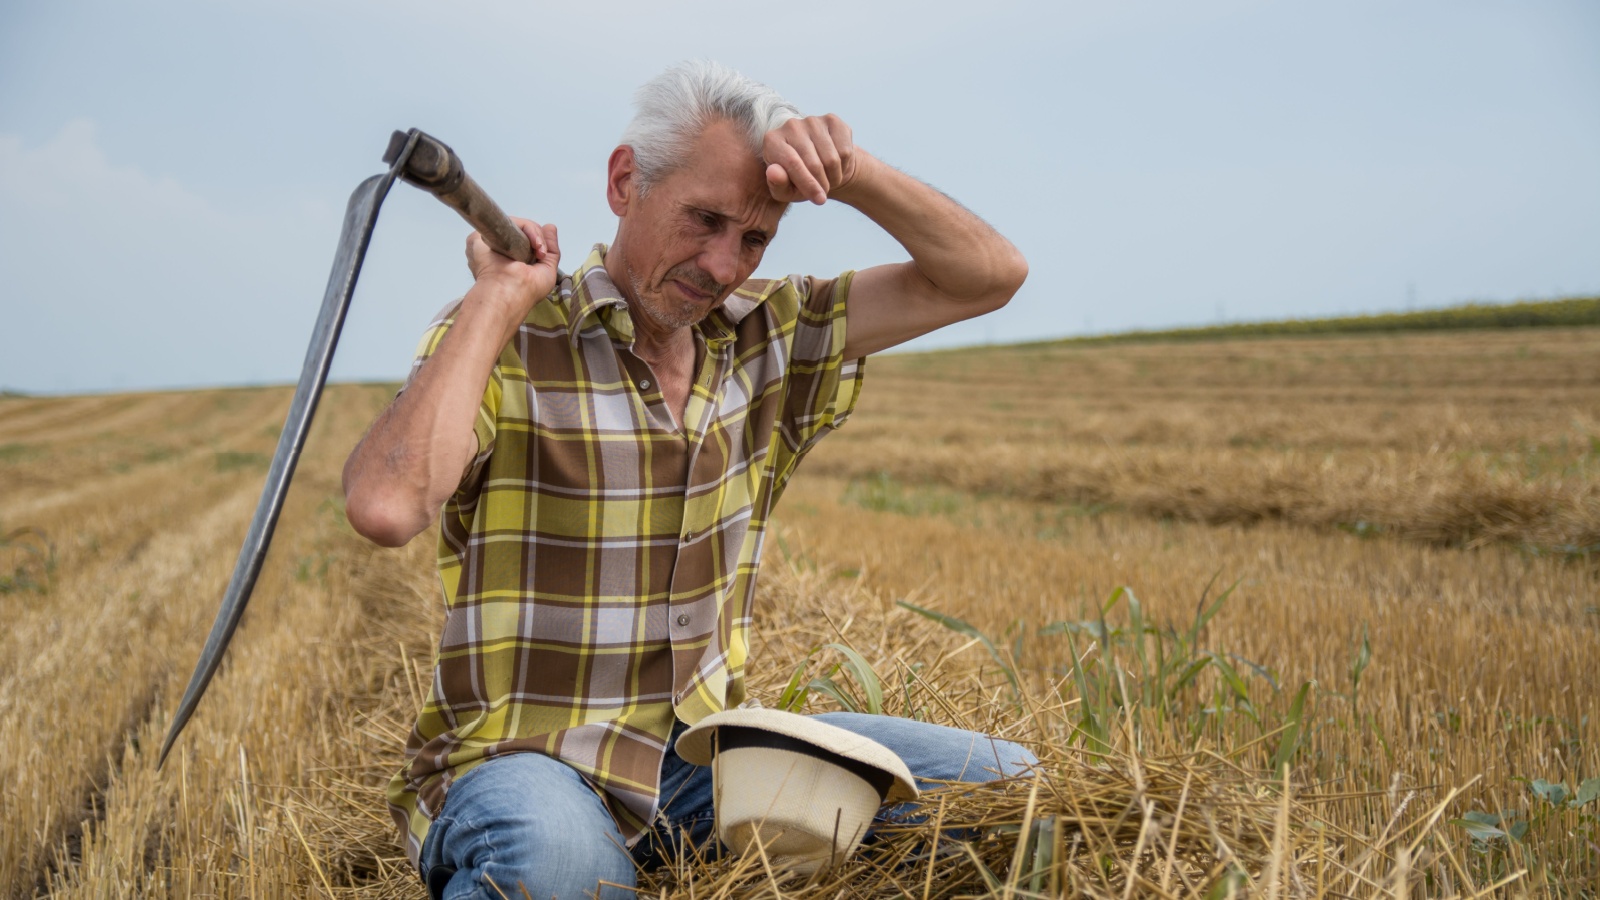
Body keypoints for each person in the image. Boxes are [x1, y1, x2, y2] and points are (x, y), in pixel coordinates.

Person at [342, 60, 1032, 900]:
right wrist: (495, 299)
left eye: (752, 238)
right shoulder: (513, 337)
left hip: (708, 766)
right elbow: (385, 506)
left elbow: (989, 275)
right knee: (561, 873)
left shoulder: (774, 335)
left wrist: (851, 174)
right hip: (526, 763)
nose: (722, 264)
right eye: (702, 219)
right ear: (626, 181)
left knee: (1013, 791)